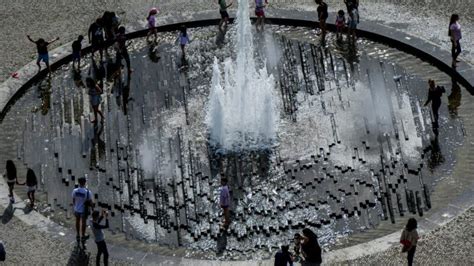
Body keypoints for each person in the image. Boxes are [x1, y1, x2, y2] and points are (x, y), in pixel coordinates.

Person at [72, 177, 94, 243]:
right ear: (84, 182)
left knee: (77, 221)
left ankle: (78, 234)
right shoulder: (87, 192)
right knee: (83, 223)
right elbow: (90, 202)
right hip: (84, 210)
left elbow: (73, 200)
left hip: (76, 209)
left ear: (79, 182)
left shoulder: (75, 191)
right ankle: (83, 235)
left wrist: (75, 206)